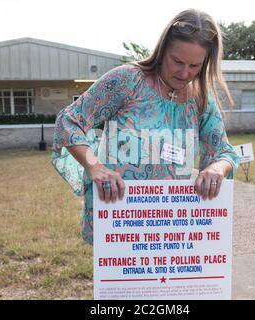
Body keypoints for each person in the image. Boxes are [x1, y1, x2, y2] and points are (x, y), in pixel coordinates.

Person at [52, 8, 239, 245]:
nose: (184, 73)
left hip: (171, 221)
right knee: (121, 281)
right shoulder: (127, 81)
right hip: (118, 215)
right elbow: (69, 121)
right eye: (177, 61)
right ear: (163, 51)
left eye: (195, 66)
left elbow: (224, 152)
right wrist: (95, 166)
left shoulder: (200, 99)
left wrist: (218, 168)